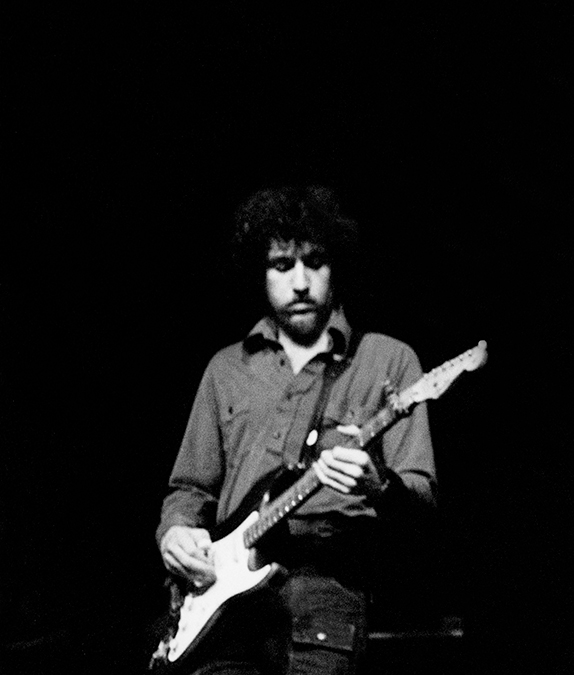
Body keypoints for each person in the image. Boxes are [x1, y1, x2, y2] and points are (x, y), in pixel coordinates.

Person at [154, 186, 437, 674]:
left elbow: (423, 499)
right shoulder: (226, 369)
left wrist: (378, 484)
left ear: (337, 267)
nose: (301, 282)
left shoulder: (388, 360)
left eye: (316, 262)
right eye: (282, 265)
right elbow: (190, 487)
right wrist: (175, 533)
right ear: (259, 274)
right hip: (222, 601)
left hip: (327, 587)